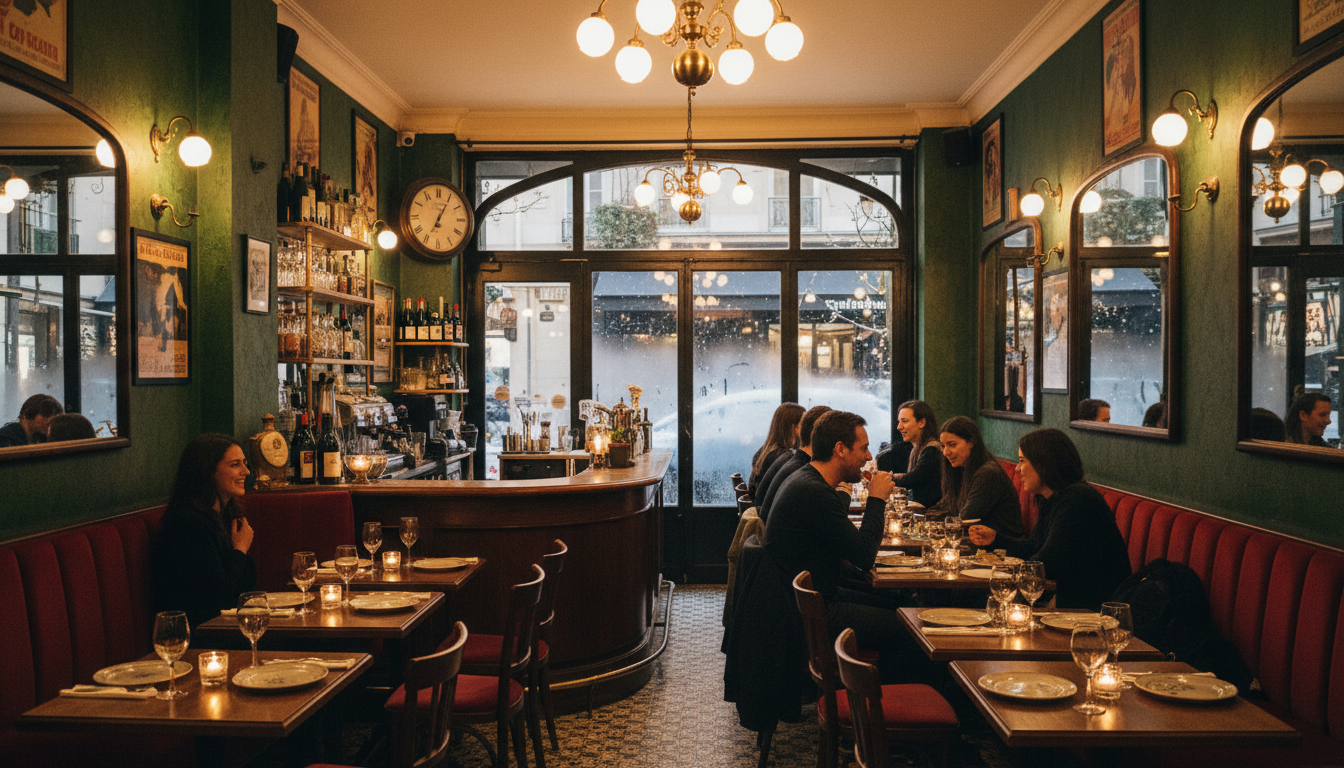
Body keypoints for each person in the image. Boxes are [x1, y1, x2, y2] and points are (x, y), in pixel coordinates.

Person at [764, 411, 912, 681]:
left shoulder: (810, 481)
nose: (869, 457)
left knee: (901, 603)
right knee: (910, 627)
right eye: (864, 448)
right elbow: (864, 556)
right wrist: (877, 499)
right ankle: (886, 710)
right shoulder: (814, 492)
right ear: (840, 449)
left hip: (815, 598)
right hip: (818, 610)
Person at [968, 429, 1130, 609]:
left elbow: (1047, 564)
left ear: (1044, 463)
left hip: (1093, 607)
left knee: (983, 602)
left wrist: (1002, 572)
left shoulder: (1079, 499)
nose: (1017, 468)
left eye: (1022, 461)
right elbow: (1034, 546)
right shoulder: (1050, 498)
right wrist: (996, 539)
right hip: (1067, 598)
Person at [152, 433, 257, 627]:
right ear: (208, 472)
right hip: (200, 634)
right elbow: (218, 599)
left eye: (244, 463)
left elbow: (247, 588)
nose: (246, 471)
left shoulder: (226, 518)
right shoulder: (188, 524)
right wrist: (240, 550)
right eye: (235, 465)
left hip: (226, 627)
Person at [935, 416, 1025, 538]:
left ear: (971, 443)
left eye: (952, 445)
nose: (945, 452)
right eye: (943, 446)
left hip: (1001, 549)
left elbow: (966, 519)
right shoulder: (962, 469)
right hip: (974, 543)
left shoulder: (988, 473)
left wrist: (931, 525)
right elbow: (947, 508)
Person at [755, 405, 831, 523]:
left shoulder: (775, 452)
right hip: (773, 525)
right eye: (804, 423)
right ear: (794, 428)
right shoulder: (785, 458)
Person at [889, 400, 942, 507]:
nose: (899, 427)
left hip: (933, 516)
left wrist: (885, 481)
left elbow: (912, 479)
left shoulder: (932, 450)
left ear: (922, 423)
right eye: (899, 422)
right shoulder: (917, 449)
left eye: (904, 421)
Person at [747, 402, 805, 497]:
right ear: (793, 427)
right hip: (767, 509)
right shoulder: (782, 457)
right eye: (803, 423)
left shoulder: (766, 450)